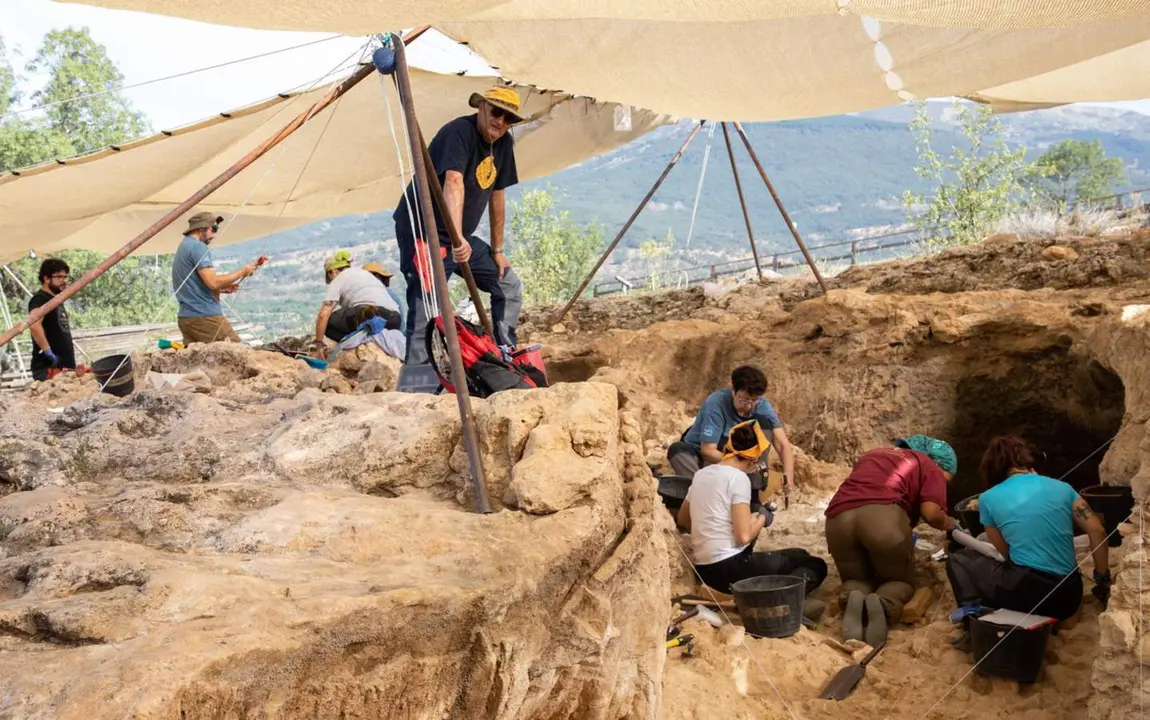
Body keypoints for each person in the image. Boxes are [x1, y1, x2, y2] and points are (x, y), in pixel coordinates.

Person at [393, 86, 525, 365]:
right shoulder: (458, 133)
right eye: (496, 112)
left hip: (458, 238)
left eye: (509, 118)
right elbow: (453, 182)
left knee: (508, 284)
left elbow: (498, 194)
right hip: (424, 234)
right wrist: (456, 239)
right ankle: (418, 376)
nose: (501, 121)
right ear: (481, 107)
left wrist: (497, 250)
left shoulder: (503, 144)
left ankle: (505, 354)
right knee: (426, 302)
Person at [946, 435, 1110, 626]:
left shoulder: (988, 498)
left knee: (958, 560)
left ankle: (973, 618)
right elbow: (1097, 530)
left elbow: (1006, 554)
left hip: (1028, 594)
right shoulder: (1064, 488)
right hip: (1069, 595)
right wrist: (1101, 578)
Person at [824, 435, 958, 645]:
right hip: (882, 522)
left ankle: (852, 596)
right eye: (946, 479)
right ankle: (884, 603)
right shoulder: (929, 465)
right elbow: (932, 514)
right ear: (939, 463)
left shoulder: (874, 454)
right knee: (898, 581)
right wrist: (951, 524)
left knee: (855, 579)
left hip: (837, 521)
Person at [676, 420, 828, 598]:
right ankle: (778, 600)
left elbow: (683, 520)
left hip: (703, 568)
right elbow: (743, 537)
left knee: (798, 554)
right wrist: (763, 517)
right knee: (815, 565)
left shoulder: (701, 475)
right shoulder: (738, 479)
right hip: (729, 568)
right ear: (753, 459)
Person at [666, 365, 795, 501]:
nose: (748, 406)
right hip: (707, 455)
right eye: (744, 399)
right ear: (733, 389)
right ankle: (704, 490)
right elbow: (708, 450)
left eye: (754, 400)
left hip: (741, 458)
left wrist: (789, 477)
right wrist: (738, 464)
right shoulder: (716, 404)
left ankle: (754, 491)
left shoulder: (762, 405)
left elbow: (783, 445)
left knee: (764, 425)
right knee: (677, 451)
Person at [172, 211, 261, 345]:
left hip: (186, 318)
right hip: (204, 317)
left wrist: (222, 288)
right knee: (239, 351)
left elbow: (193, 284)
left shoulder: (184, 246)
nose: (214, 234)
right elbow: (213, 282)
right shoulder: (198, 247)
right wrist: (243, 271)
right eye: (213, 229)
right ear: (201, 228)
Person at [312, 251, 403, 355]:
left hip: (371, 314)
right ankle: (369, 336)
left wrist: (318, 342)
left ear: (332, 271)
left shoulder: (339, 279)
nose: (331, 280)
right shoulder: (364, 274)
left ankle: (363, 340)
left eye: (329, 276)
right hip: (394, 320)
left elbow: (323, 315)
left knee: (328, 323)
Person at [28, 258, 76, 381]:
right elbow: (34, 325)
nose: (63, 281)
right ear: (46, 278)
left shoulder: (55, 300)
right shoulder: (40, 299)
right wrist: (47, 351)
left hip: (63, 366)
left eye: (65, 277)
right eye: (59, 277)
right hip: (49, 368)